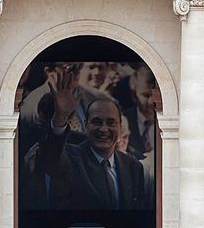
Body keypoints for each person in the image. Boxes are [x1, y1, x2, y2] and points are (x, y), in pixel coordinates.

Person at [28, 68, 144, 211]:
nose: (103, 129)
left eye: (111, 122)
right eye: (96, 122)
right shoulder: (71, 158)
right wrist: (61, 117)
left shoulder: (133, 166)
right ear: (85, 124)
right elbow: (51, 158)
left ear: (120, 127)